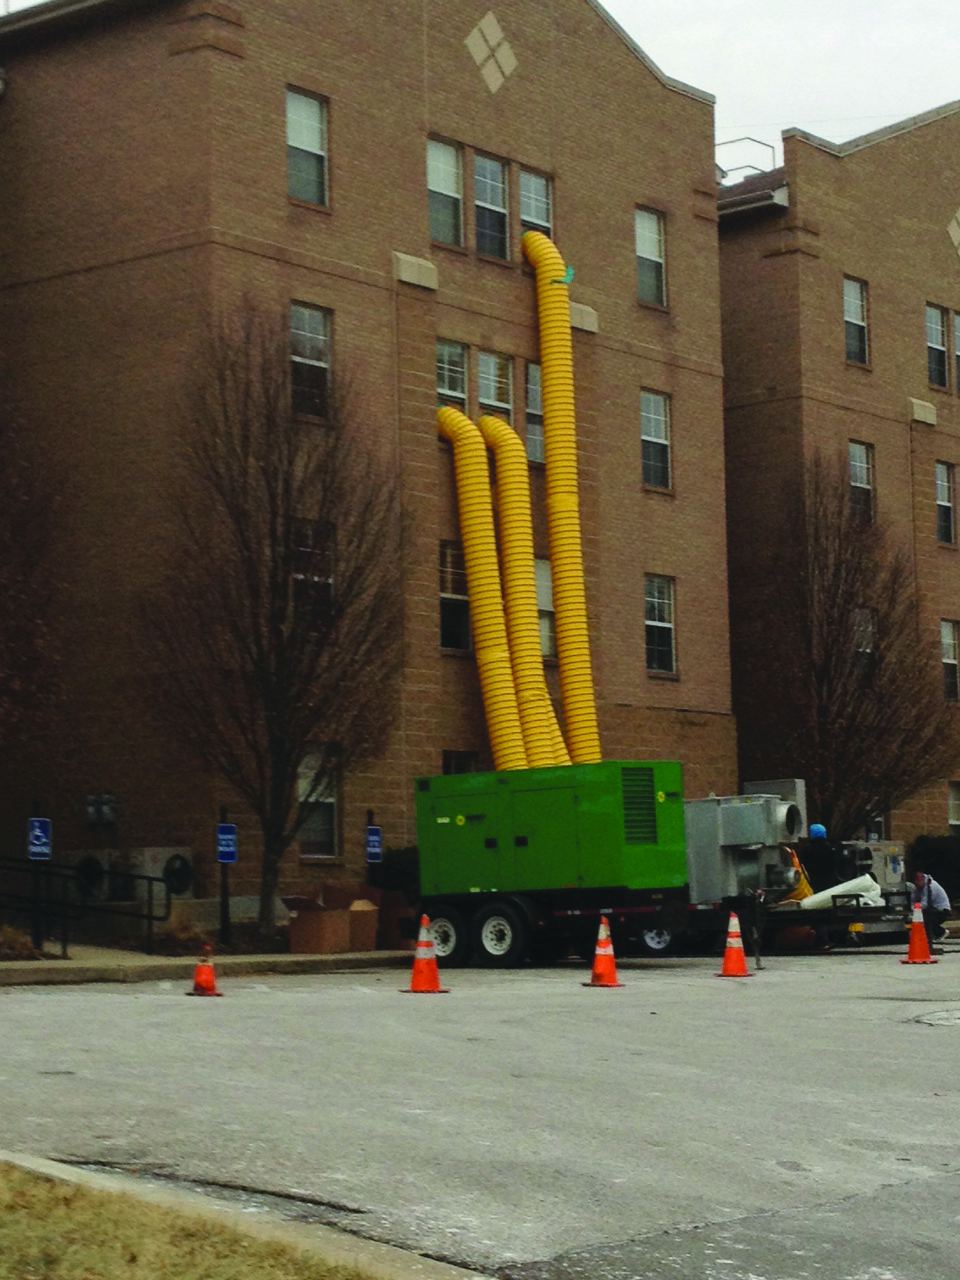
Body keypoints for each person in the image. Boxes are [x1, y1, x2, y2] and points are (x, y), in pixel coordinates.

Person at [912, 872, 951, 946]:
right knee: (926, 916)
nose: (917, 884)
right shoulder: (918, 887)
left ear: (922, 880)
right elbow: (913, 899)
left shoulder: (930, 886)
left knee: (928, 919)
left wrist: (915, 908)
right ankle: (932, 935)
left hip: (942, 910)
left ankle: (941, 932)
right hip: (933, 909)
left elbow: (925, 903)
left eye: (918, 881)